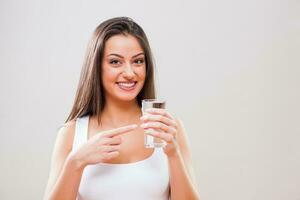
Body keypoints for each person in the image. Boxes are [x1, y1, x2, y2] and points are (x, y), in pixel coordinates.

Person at [43, 17, 200, 200]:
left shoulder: (168, 129)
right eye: (115, 62)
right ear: (96, 67)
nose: (129, 73)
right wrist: (76, 162)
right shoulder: (72, 133)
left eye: (138, 61)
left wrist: (174, 154)